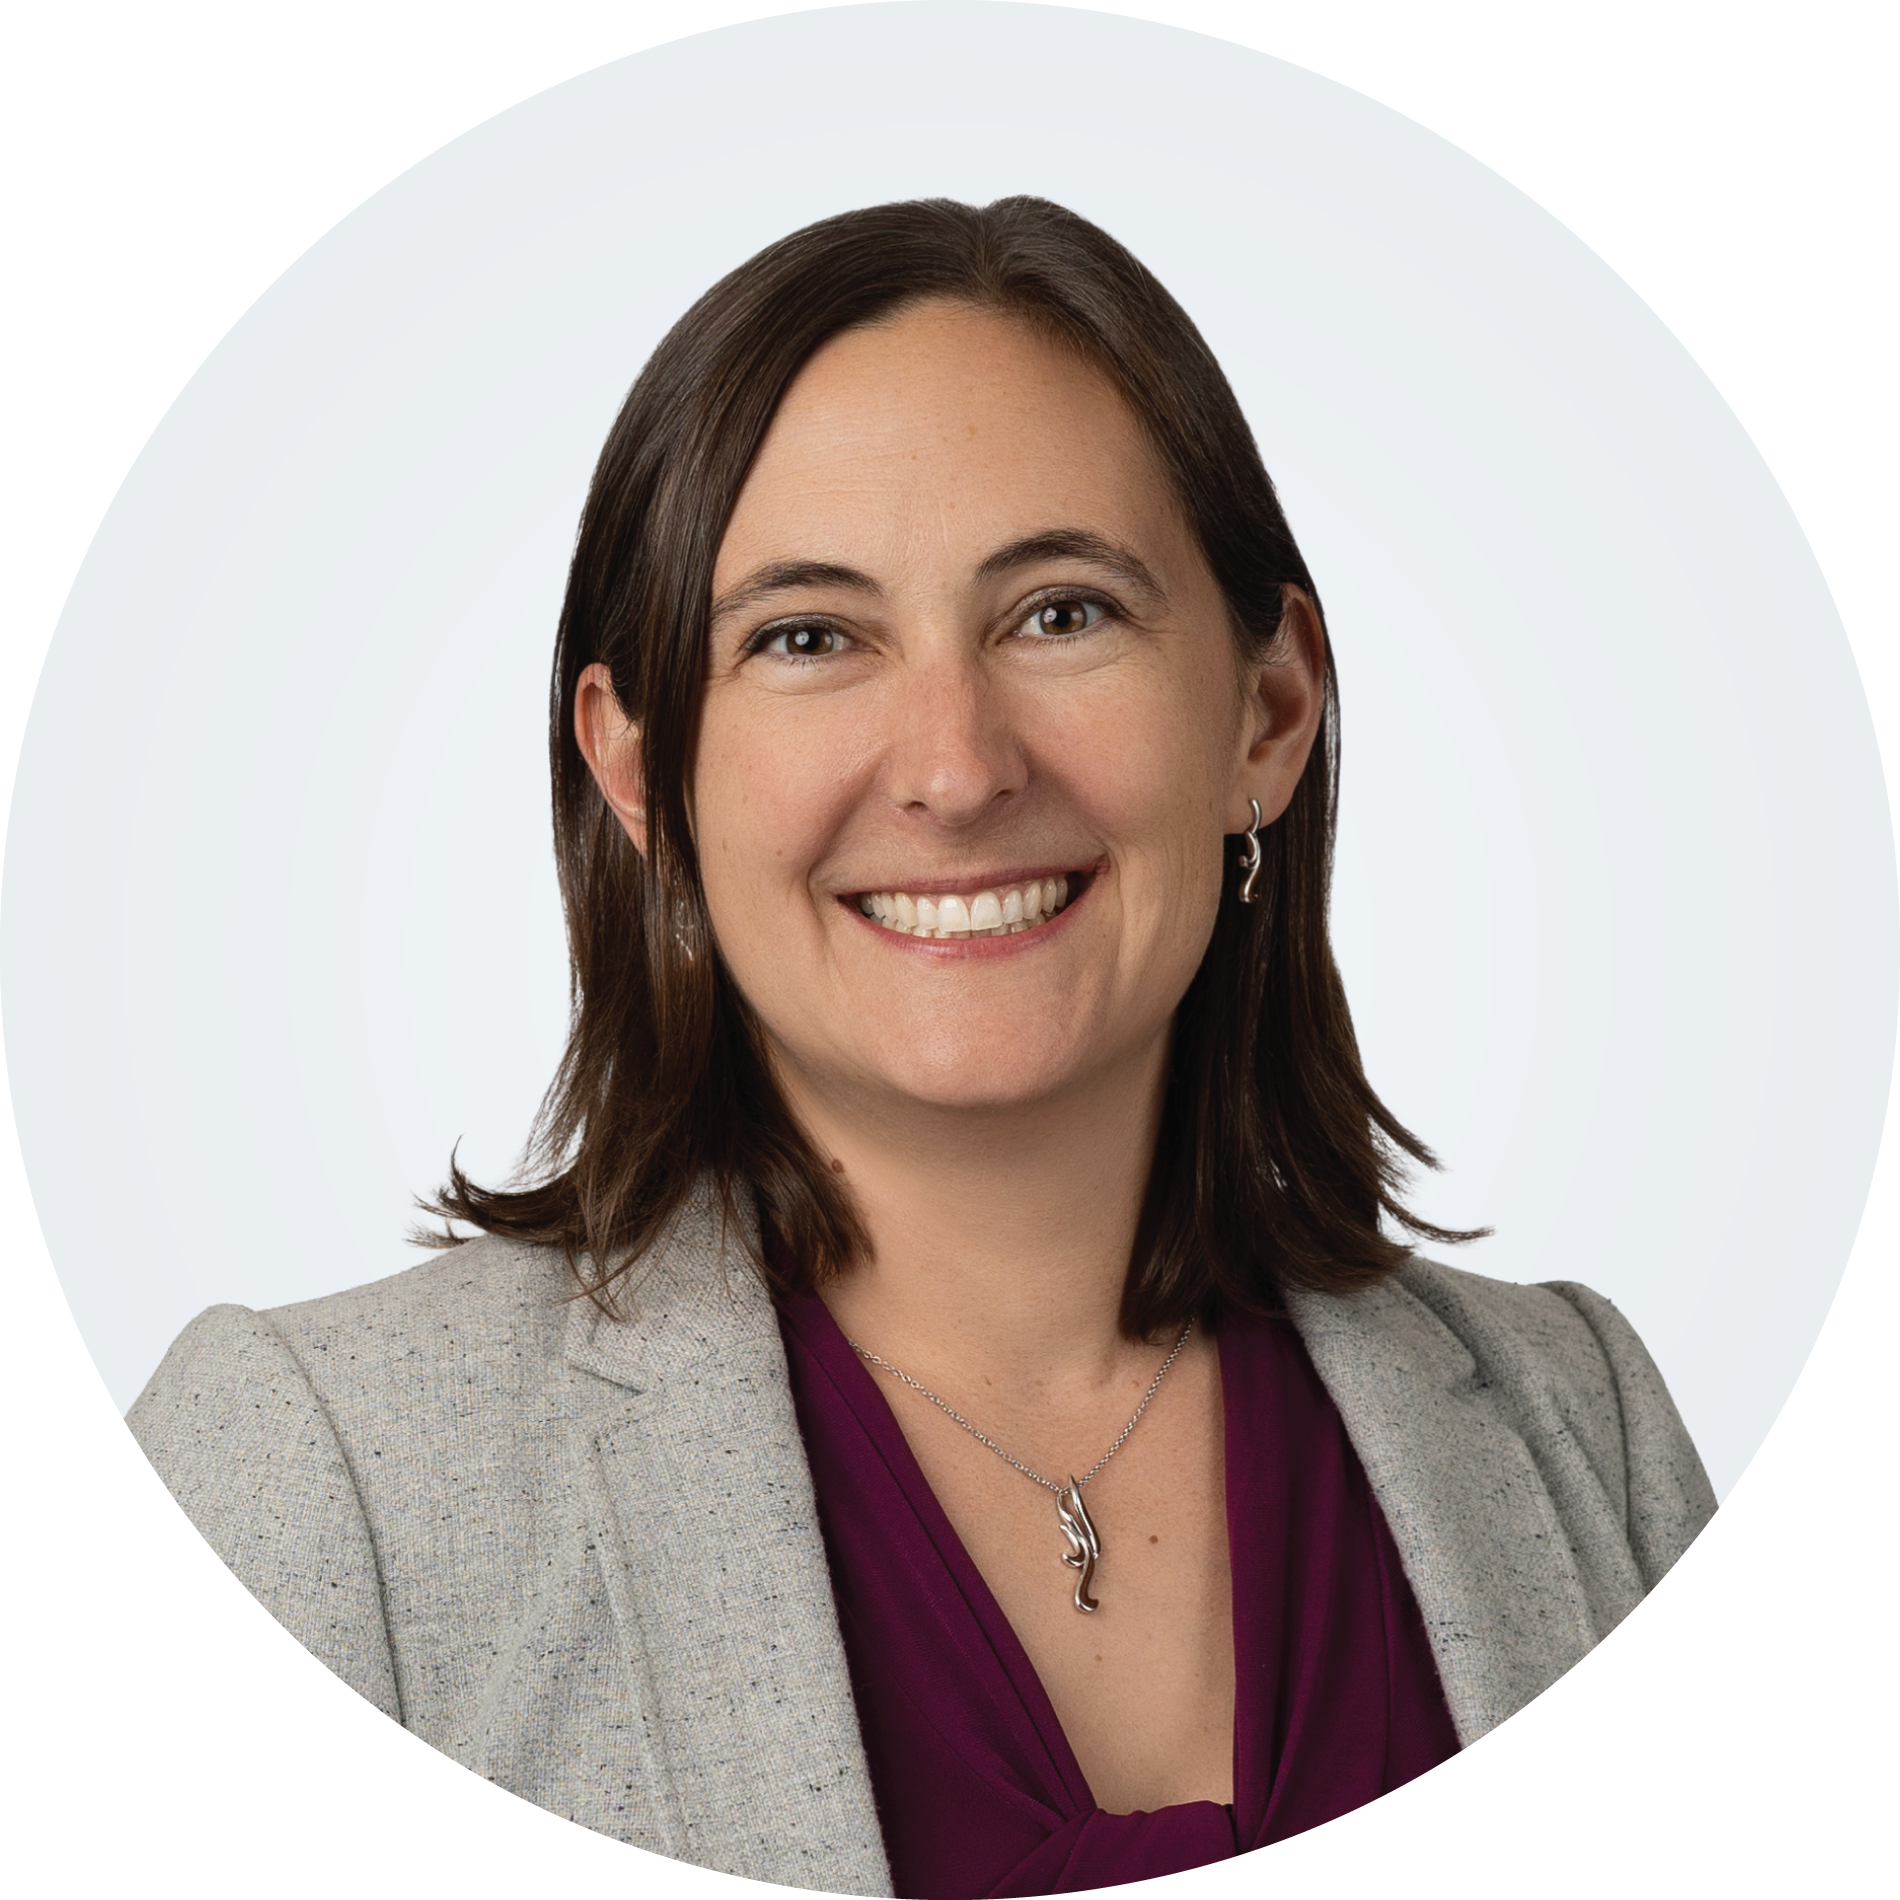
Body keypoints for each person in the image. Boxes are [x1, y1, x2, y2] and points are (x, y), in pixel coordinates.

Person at [128, 197, 1715, 1895]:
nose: (956, 768)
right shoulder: (323, 1489)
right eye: (809, 638)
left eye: (1061, 614)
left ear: (1266, 715)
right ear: (642, 772)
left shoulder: (1580, 1429)